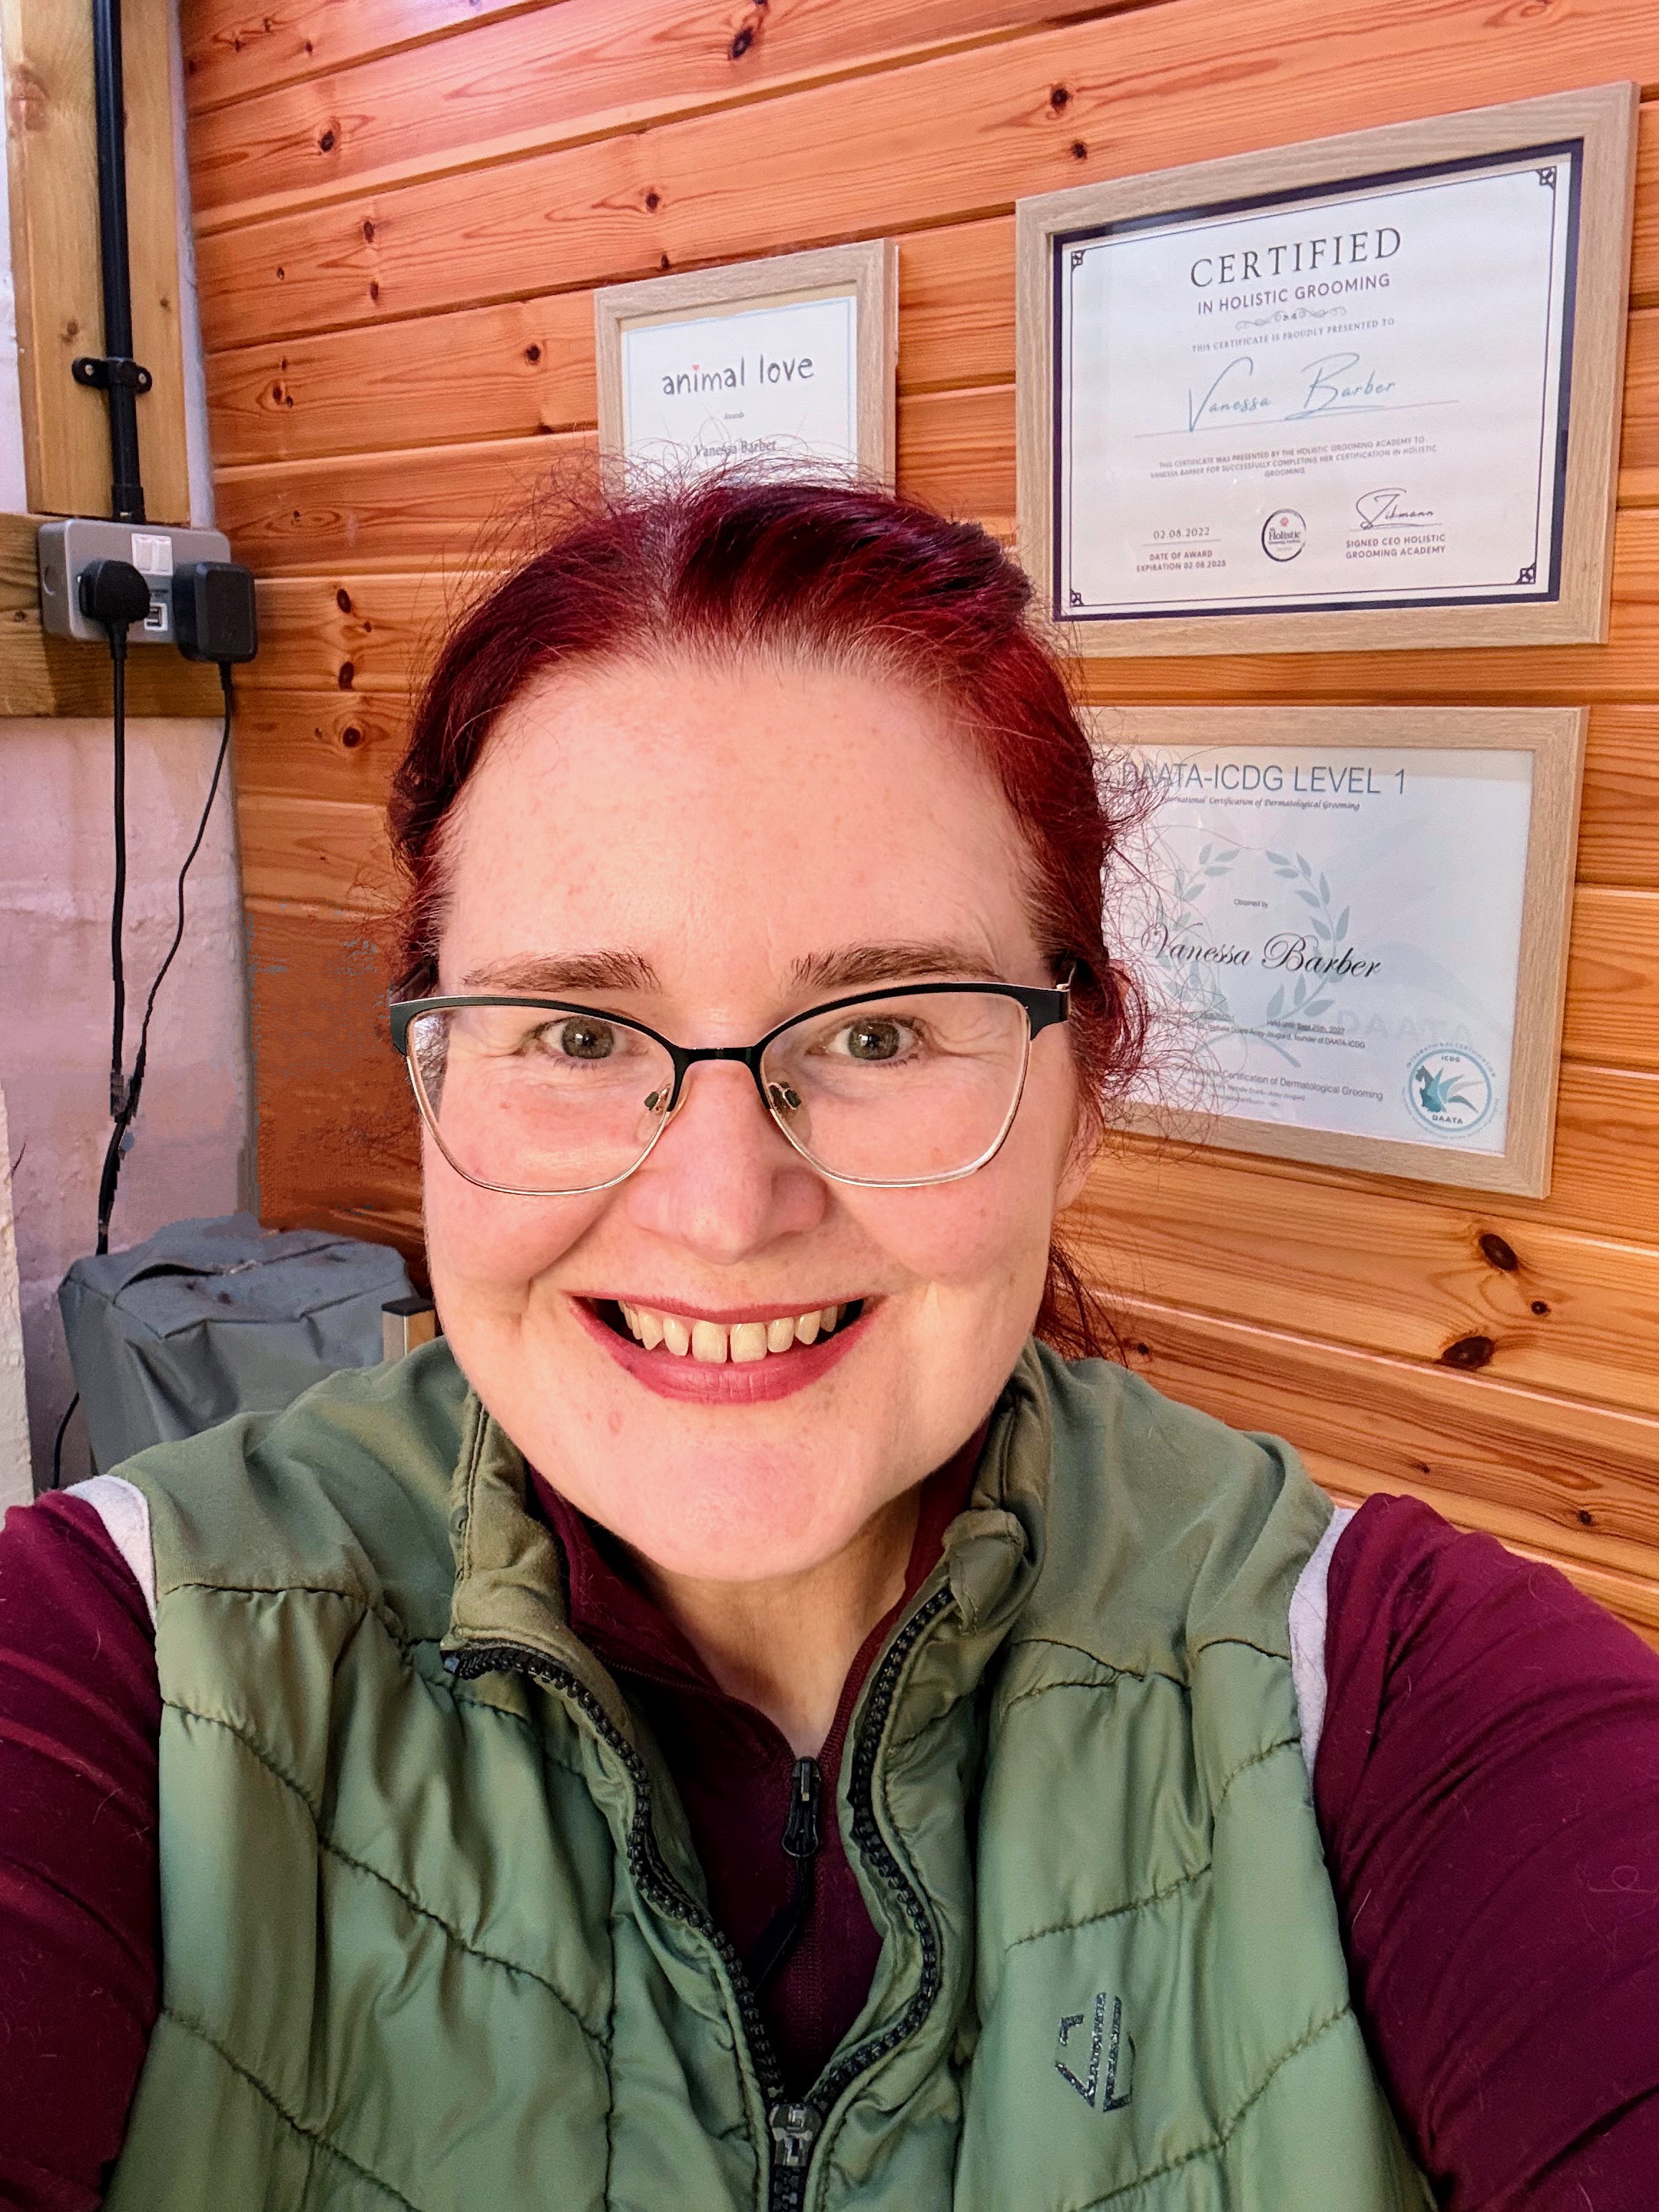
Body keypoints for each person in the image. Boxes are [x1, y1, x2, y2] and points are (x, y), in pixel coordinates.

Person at [2, 475, 1658, 2212]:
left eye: (876, 1028)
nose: (721, 1206)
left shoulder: (1370, 1692)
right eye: (576, 1027)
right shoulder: (137, 1649)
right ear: (433, 1068)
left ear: (1077, 1091)